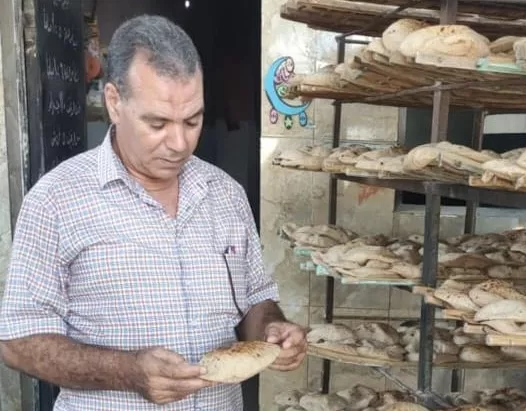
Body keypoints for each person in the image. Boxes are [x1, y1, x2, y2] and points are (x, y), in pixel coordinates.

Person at [0, 14, 306, 410]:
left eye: (192, 120)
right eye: (158, 123)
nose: (179, 142)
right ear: (115, 102)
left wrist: (271, 328)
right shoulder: (57, 199)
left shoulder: (226, 195)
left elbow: (255, 301)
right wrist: (126, 371)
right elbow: (17, 342)